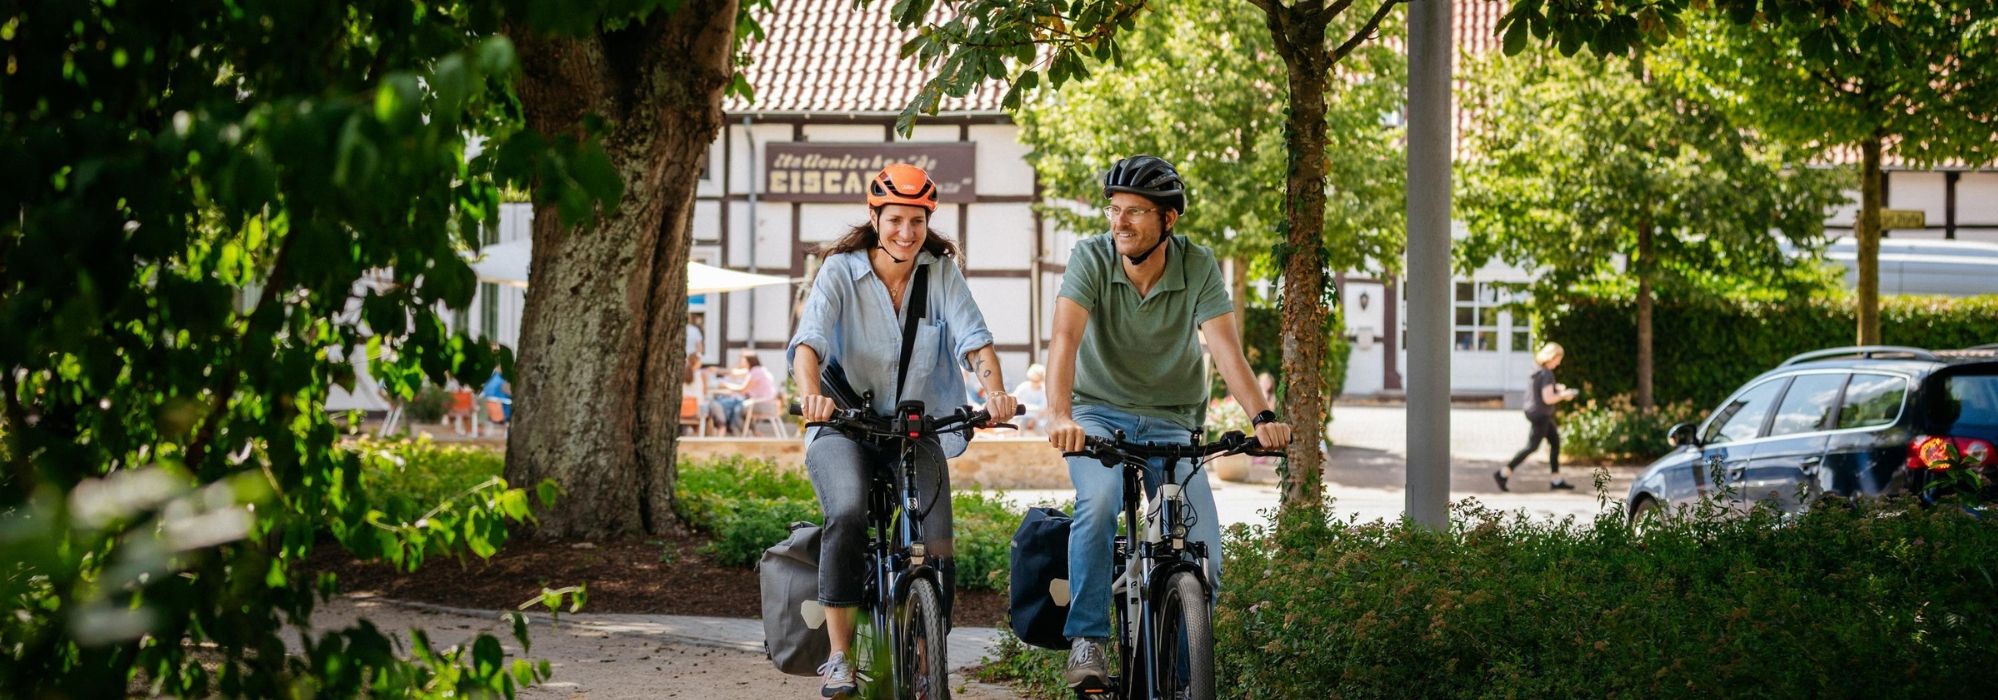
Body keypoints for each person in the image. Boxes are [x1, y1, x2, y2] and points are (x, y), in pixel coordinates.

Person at [1041, 155, 1292, 690]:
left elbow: (1225, 348)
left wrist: (1263, 416)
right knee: (1101, 501)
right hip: (1096, 414)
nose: (1120, 222)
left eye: (1135, 212)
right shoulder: (1090, 258)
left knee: (1205, 553)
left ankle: (1182, 677)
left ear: (1168, 221)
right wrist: (1061, 415)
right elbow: (1064, 339)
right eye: (1114, 209)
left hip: (1172, 421)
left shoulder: (1196, 264)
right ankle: (1088, 640)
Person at [787, 163, 1019, 699]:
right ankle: (841, 656)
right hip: (844, 423)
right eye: (895, 220)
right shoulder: (841, 270)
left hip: (917, 429)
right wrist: (810, 396)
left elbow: (974, 341)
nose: (906, 233)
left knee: (938, 544)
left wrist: (994, 392)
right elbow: (810, 344)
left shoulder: (940, 273)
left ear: (927, 221)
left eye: (917, 222)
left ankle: (926, 649)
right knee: (845, 512)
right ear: (875, 218)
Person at [1496, 342, 1580, 492]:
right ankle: (1503, 473)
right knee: (1531, 447)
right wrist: (1564, 395)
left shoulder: (1538, 370)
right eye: (1558, 359)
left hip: (1536, 412)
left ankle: (1556, 480)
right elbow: (1548, 399)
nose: (1559, 362)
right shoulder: (1546, 373)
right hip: (1541, 414)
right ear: (1552, 357)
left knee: (1555, 442)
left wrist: (1556, 388)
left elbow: (1541, 391)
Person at [1011, 363, 1048, 434]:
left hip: (1039, 419)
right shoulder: (1023, 387)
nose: (1034, 382)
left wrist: (1034, 420)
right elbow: (1015, 401)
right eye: (1032, 380)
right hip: (1022, 417)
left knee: (1043, 427)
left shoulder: (1044, 391)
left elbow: (1045, 409)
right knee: (1019, 425)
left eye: (1037, 381)